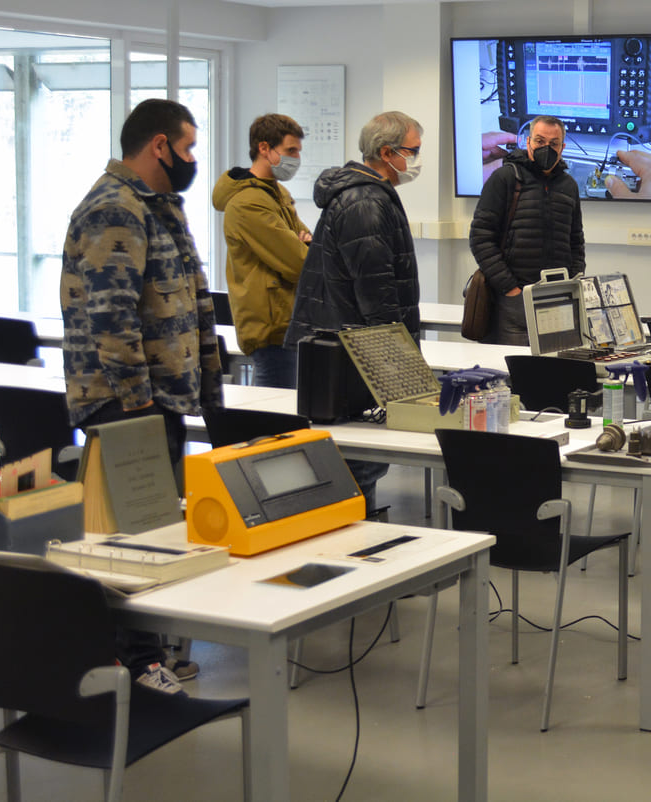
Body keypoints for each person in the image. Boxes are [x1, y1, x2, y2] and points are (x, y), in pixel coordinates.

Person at [61, 97, 222, 694]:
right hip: (127, 404)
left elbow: (187, 300)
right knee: (130, 537)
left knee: (151, 531)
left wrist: (206, 381)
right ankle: (134, 660)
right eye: (188, 147)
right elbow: (111, 317)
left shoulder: (155, 207)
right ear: (160, 145)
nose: (191, 159)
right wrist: (136, 404)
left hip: (160, 398)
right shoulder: (115, 209)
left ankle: (147, 649)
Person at [284, 111, 425, 513]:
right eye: (413, 152)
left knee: (358, 465)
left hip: (346, 348)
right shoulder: (364, 201)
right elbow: (375, 294)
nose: (417, 160)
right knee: (357, 467)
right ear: (387, 152)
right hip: (352, 354)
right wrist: (398, 370)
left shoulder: (366, 194)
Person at [212, 113, 313, 388]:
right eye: (291, 150)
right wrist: (301, 244)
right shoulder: (248, 203)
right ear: (264, 148)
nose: (297, 159)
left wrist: (305, 244)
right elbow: (301, 262)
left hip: (286, 317)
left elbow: (313, 245)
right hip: (270, 325)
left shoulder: (276, 193)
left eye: (298, 151)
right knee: (274, 415)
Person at [469, 115, 585, 345]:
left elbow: (576, 240)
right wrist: (510, 288)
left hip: (558, 298)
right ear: (528, 141)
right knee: (514, 372)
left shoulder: (569, 185)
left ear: (562, 147)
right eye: (540, 141)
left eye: (553, 144)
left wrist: (573, 279)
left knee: (557, 367)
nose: (546, 148)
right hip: (513, 299)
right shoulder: (506, 177)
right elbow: (480, 237)